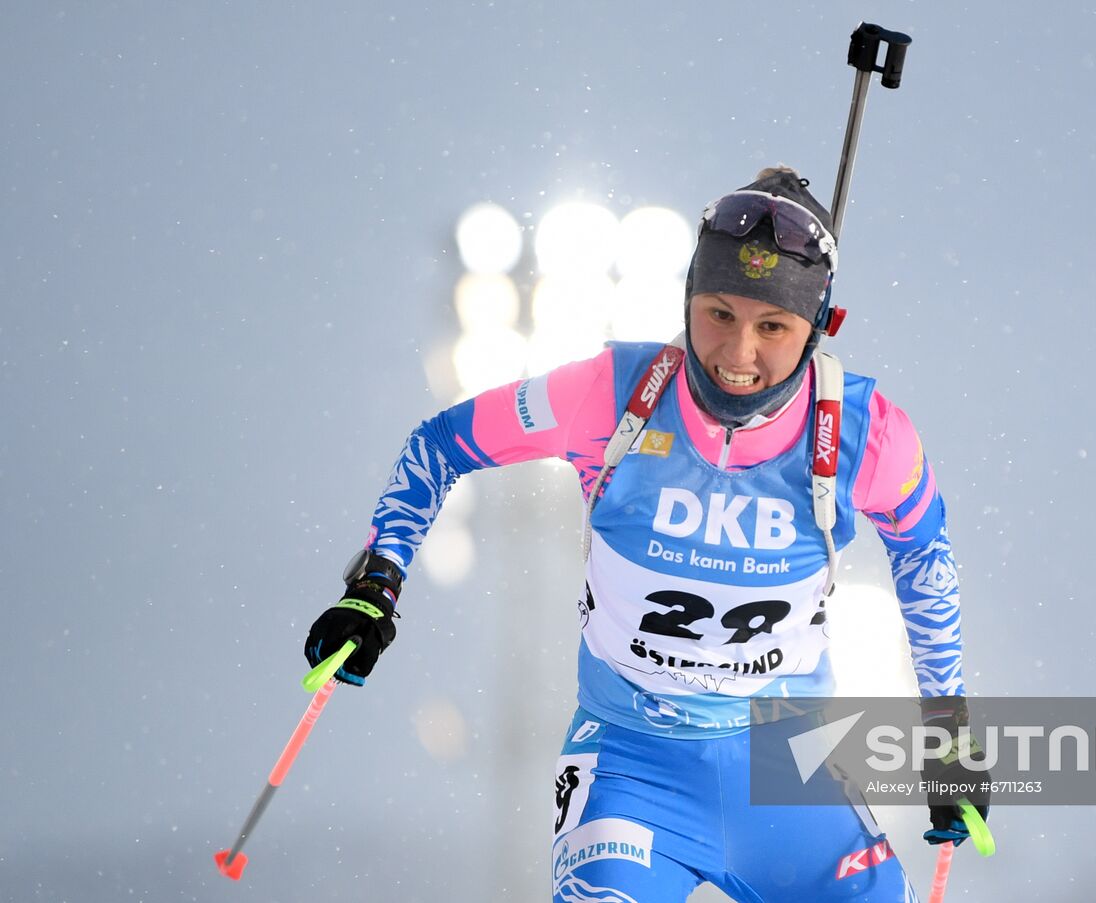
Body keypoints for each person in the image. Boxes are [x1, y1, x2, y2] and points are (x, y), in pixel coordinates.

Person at [304, 167, 989, 902]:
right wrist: (375, 585)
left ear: (818, 327)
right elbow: (442, 444)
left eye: (772, 327)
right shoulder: (612, 392)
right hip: (633, 766)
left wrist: (946, 730)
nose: (737, 353)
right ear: (687, 296)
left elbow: (925, 555)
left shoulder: (863, 431)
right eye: (718, 312)